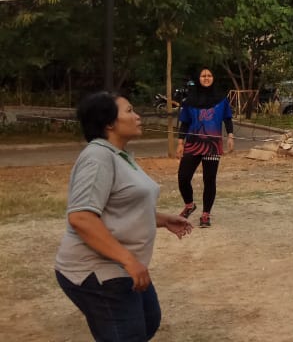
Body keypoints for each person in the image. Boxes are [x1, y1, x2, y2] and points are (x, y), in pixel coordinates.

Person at [55, 92, 193, 341]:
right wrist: (128, 260)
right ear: (109, 123)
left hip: (120, 265)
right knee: (127, 335)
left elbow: (121, 207)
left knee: (149, 320)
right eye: (129, 111)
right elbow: (82, 217)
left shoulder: (120, 155)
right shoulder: (97, 157)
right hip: (96, 269)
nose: (137, 116)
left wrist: (163, 220)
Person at [176, 68, 235, 228]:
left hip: (212, 145)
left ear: (213, 78)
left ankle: (205, 214)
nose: (206, 78)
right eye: (203, 75)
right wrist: (180, 143)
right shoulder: (189, 101)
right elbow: (185, 123)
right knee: (183, 177)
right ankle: (189, 205)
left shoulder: (221, 100)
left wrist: (230, 136)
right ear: (198, 78)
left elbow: (227, 119)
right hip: (192, 144)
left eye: (209, 75)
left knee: (209, 180)